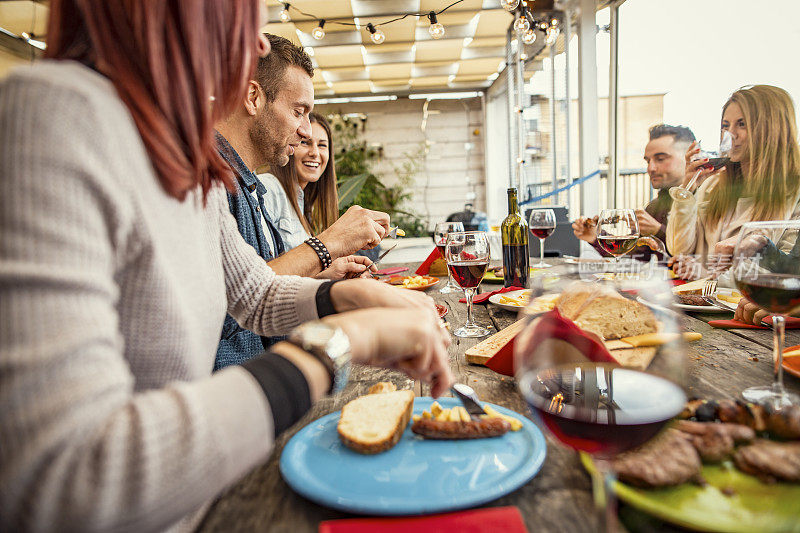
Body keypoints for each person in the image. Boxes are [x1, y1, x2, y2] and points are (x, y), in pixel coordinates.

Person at [0, 2, 452, 531]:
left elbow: (256, 294)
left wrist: (348, 298)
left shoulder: (187, 156)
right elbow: (59, 477)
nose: (259, 45)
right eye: (243, 15)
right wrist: (341, 341)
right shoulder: (55, 114)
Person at [214, 35, 404, 370]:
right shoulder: (210, 182)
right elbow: (228, 311)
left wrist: (323, 281)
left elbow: (257, 293)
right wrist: (327, 244)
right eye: (298, 111)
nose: (305, 130)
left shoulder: (246, 186)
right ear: (253, 97)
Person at [668, 85, 800, 280]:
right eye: (725, 125)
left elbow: (788, 273)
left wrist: (707, 276)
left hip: (749, 308)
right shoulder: (712, 186)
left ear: (772, 130)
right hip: (698, 304)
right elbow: (678, 247)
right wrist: (687, 189)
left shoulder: (794, 193)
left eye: (742, 124)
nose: (731, 134)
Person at [572, 124, 695, 259]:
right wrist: (595, 237)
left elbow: (705, 259)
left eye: (660, 159)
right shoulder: (655, 207)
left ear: (689, 157)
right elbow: (637, 257)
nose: (651, 168)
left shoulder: (704, 201)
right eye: (648, 161)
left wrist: (658, 230)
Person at [260, 112, 338, 250]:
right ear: (290, 146)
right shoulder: (267, 188)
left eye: (322, 145)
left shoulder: (304, 203)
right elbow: (261, 267)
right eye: (305, 143)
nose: (315, 153)